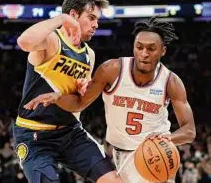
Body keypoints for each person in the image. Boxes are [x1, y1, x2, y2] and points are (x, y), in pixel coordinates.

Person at [24, 16, 196, 183]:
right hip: (117, 153)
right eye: (139, 47)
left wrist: (167, 140)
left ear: (162, 51)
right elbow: (79, 103)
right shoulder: (111, 70)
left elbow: (189, 131)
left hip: (153, 154)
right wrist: (58, 97)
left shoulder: (171, 82)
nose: (144, 53)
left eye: (151, 49)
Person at [14, 0, 123, 183]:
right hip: (35, 135)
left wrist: (82, 92)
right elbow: (24, 42)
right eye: (91, 18)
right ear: (73, 15)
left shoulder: (89, 54)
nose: (96, 24)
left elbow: (79, 104)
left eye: (97, 19)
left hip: (71, 133)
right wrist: (60, 19)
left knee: (115, 180)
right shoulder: (52, 41)